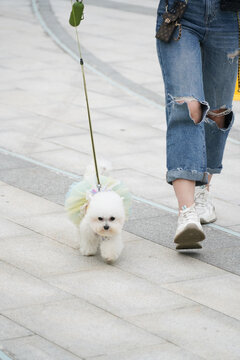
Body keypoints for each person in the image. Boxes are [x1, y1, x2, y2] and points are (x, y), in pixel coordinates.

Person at [156, 0, 239, 249]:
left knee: (218, 113)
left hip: (229, 15)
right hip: (181, 12)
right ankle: (187, 212)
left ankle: (202, 190)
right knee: (187, 107)